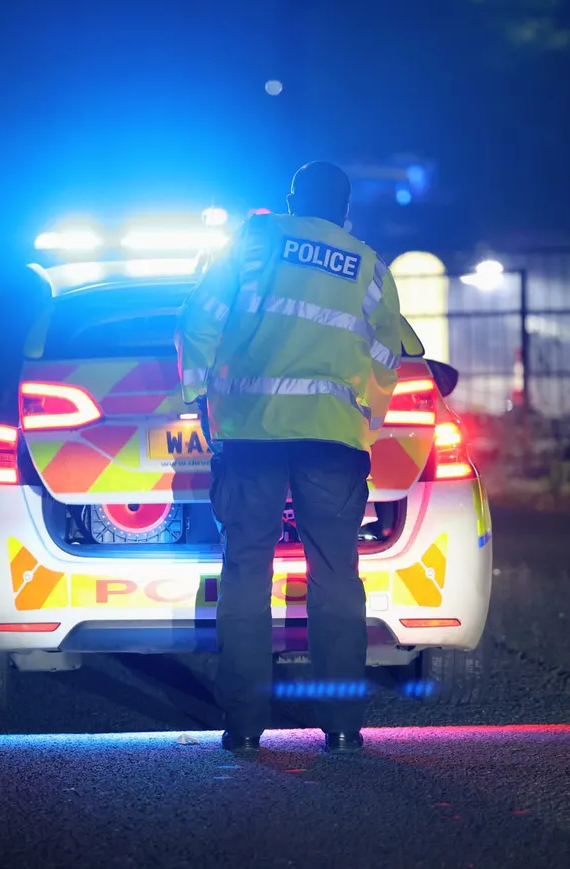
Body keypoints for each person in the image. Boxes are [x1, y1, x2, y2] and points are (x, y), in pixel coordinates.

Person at [175, 162, 404, 754]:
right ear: (345, 211)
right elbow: (387, 354)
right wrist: (366, 419)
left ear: (293, 201)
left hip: (251, 435)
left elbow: (199, 318)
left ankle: (245, 726)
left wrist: (200, 397)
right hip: (331, 440)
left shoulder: (254, 241)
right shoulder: (368, 266)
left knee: (246, 569)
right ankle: (343, 727)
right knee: (336, 574)